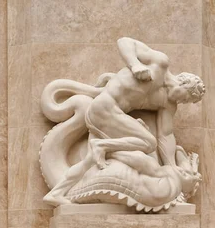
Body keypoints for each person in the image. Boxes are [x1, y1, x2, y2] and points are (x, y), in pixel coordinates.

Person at [44, 37, 205, 206]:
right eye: (185, 98)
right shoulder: (160, 64)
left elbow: (166, 134)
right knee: (148, 142)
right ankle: (102, 147)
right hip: (103, 109)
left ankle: (57, 192)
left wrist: (172, 167)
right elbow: (124, 41)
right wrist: (134, 64)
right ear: (184, 83)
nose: (182, 102)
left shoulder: (168, 104)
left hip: (111, 116)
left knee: (93, 159)